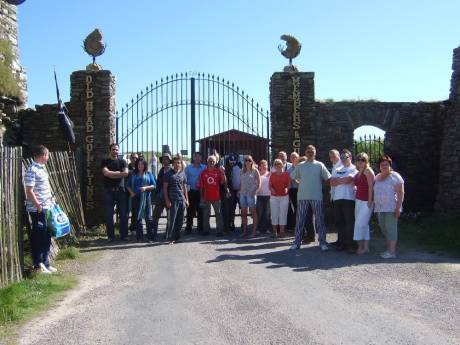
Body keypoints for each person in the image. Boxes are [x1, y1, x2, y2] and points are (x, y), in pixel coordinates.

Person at [289, 145, 331, 251]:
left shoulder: (320, 165)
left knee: (320, 220)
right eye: (308, 151)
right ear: (305, 153)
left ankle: (322, 242)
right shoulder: (300, 165)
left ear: (315, 152)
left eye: (312, 151)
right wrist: (302, 183)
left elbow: (328, 178)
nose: (310, 153)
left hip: (316, 196)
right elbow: (293, 177)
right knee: (300, 221)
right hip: (302, 197)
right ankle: (297, 242)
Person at [24, 145, 57, 274]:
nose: (48, 157)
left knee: (47, 235)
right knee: (39, 236)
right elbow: (29, 191)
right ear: (43, 155)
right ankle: (38, 264)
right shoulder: (32, 170)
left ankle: (46, 263)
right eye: (47, 155)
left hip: (47, 207)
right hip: (38, 209)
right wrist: (38, 205)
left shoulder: (42, 168)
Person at [374, 155, 405, 259]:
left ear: (390, 165)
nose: (384, 166)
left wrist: (398, 208)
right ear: (379, 166)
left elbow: (401, 193)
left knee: (391, 229)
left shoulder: (395, 176)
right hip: (380, 208)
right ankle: (389, 248)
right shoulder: (377, 177)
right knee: (383, 228)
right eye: (382, 164)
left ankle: (392, 252)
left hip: (392, 207)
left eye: (386, 164)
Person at [330, 149, 357, 252]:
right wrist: (341, 180)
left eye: (345, 157)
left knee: (349, 222)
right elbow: (332, 182)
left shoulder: (353, 168)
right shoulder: (338, 168)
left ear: (350, 157)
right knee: (339, 222)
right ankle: (341, 244)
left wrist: (338, 180)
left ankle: (350, 245)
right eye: (341, 158)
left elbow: (348, 180)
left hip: (348, 198)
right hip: (337, 198)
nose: (343, 159)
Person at [101, 143, 129, 242]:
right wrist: (118, 173)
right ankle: (110, 236)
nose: (115, 151)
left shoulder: (122, 161)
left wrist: (111, 174)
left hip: (120, 191)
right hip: (109, 191)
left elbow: (126, 173)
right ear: (110, 150)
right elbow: (105, 173)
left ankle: (124, 235)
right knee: (109, 215)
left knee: (123, 214)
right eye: (113, 149)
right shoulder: (105, 161)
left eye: (117, 149)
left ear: (118, 150)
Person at [127, 157, 156, 241]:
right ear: (137, 165)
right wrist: (131, 193)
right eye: (139, 164)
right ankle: (140, 237)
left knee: (148, 217)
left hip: (146, 197)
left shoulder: (149, 174)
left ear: (145, 165)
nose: (140, 166)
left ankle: (150, 236)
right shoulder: (133, 174)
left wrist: (145, 188)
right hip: (136, 197)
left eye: (142, 164)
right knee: (137, 217)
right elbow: (128, 185)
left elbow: (154, 185)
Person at [199, 155, 227, 236]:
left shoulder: (218, 171)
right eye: (210, 161)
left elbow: (223, 182)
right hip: (206, 197)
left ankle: (219, 230)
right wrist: (201, 197)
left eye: (213, 161)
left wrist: (223, 173)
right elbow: (201, 186)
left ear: (216, 162)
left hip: (216, 197)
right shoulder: (203, 172)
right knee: (206, 214)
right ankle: (206, 230)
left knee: (218, 214)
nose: (211, 163)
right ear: (207, 162)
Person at [353, 152, 375, 254]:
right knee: (364, 225)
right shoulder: (359, 172)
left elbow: (371, 187)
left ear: (366, 161)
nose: (361, 162)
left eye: (363, 160)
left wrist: (370, 202)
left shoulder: (368, 171)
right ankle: (366, 248)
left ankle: (360, 247)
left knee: (358, 224)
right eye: (359, 160)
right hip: (359, 200)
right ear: (356, 162)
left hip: (366, 201)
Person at [164, 156, 189, 244]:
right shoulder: (168, 174)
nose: (177, 164)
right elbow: (165, 188)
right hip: (173, 200)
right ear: (172, 163)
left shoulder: (183, 174)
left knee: (181, 219)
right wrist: (167, 200)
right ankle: (171, 238)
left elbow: (184, 187)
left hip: (181, 199)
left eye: (178, 163)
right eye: (175, 163)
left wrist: (186, 199)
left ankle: (177, 237)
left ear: (181, 164)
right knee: (172, 220)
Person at [184, 152, 206, 235]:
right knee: (190, 210)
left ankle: (200, 228)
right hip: (191, 191)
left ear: (201, 158)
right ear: (193, 158)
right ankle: (188, 227)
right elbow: (184, 180)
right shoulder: (188, 168)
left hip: (201, 192)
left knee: (200, 210)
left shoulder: (205, 167)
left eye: (199, 157)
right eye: (196, 157)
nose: (197, 158)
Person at [239, 155, 261, 238]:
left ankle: (254, 232)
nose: (247, 162)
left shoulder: (255, 171)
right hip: (243, 194)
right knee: (243, 213)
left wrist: (255, 192)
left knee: (253, 213)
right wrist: (239, 190)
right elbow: (241, 183)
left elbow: (259, 184)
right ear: (244, 162)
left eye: (249, 160)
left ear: (252, 161)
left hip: (251, 194)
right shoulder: (242, 171)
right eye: (246, 160)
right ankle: (244, 231)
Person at [152, 153, 172, 240]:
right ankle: (154, 233)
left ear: (169, 160)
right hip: (160, 196)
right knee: (155, 216)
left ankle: (168, 234)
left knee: (170, 216)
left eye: (166, 159)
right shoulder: (161, 170)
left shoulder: (172, 171)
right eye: (163, 159)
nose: (165, 161)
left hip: (170, 196)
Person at [269, 159, 290, 238]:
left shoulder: (286, 174)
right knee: (274, 214)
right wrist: (271, 189)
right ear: (274, 166)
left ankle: (282, 232)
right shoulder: (273, 174)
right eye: (276, 164)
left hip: (284, 197)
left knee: (283, 214)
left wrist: (287, 189)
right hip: (274, 197)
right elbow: (270, 185)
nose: (278, 165)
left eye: (279, 164)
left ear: (282, 165)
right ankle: (274, 232)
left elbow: (289, 185)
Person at [225, 153, 241, 232]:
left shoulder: (240, 166)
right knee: (231, 208)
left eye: (234, 161)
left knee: (243, 207)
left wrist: (240, 189)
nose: (232, 162)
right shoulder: (226, 168)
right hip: (231, 191)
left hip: (240, 190)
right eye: (231, 161)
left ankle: (243, 225)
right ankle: (231, 223)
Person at [256, 160, 271, 234]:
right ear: (259, 166)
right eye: (263, 165)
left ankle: (267, 228)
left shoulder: (270, 174)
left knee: (267, 213)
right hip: (259, 196)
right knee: (260, 213)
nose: (264, 166)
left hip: (268, 196)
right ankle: (259, 228)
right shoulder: (257, 174)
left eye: (266, 165)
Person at [286, 152, 299, 232]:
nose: (294, 158)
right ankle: (296, 226)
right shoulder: (289, 170)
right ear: (290, 159)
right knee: (296, 209)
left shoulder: (301, 167)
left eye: (295, 157)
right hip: (293, 191)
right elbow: (289, 183)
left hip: (302, 190)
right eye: (292, 157)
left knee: (300, 209)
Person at [127, 152, 139, 234]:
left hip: (136, 193)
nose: (134, 159)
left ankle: (133, 228)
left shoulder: (139, 168)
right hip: (127, 192)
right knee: (125, 212)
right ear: (130, 158)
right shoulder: (126, 168)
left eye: (136, 158)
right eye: (133, 157)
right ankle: (124, 229)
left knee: (135, 211)